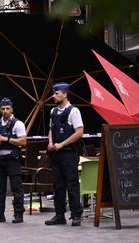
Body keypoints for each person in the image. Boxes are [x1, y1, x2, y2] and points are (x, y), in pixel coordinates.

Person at [45, 82, 83, 227]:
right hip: (55, 154)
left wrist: (62, 144)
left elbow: (79, 132)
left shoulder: (74, 111)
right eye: (54, 93)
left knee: (72, 184)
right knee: (58, 186)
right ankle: (59, 215)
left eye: (56, 93)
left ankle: (76, 215)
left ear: (65, 94)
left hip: (69, 154)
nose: (54, 96)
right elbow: (51, 129)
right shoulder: (53, 112)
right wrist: (50, 142)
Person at [0, 98, 26, 224]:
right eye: (3, 109)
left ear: (12, 109)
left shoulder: (18, 124)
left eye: (7, 108)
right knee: (0, 189)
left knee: (16, 188)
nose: (5, 111)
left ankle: (18, 214)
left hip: (12, 159)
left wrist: (6, 139)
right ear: (0, 110)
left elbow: (23, 142)